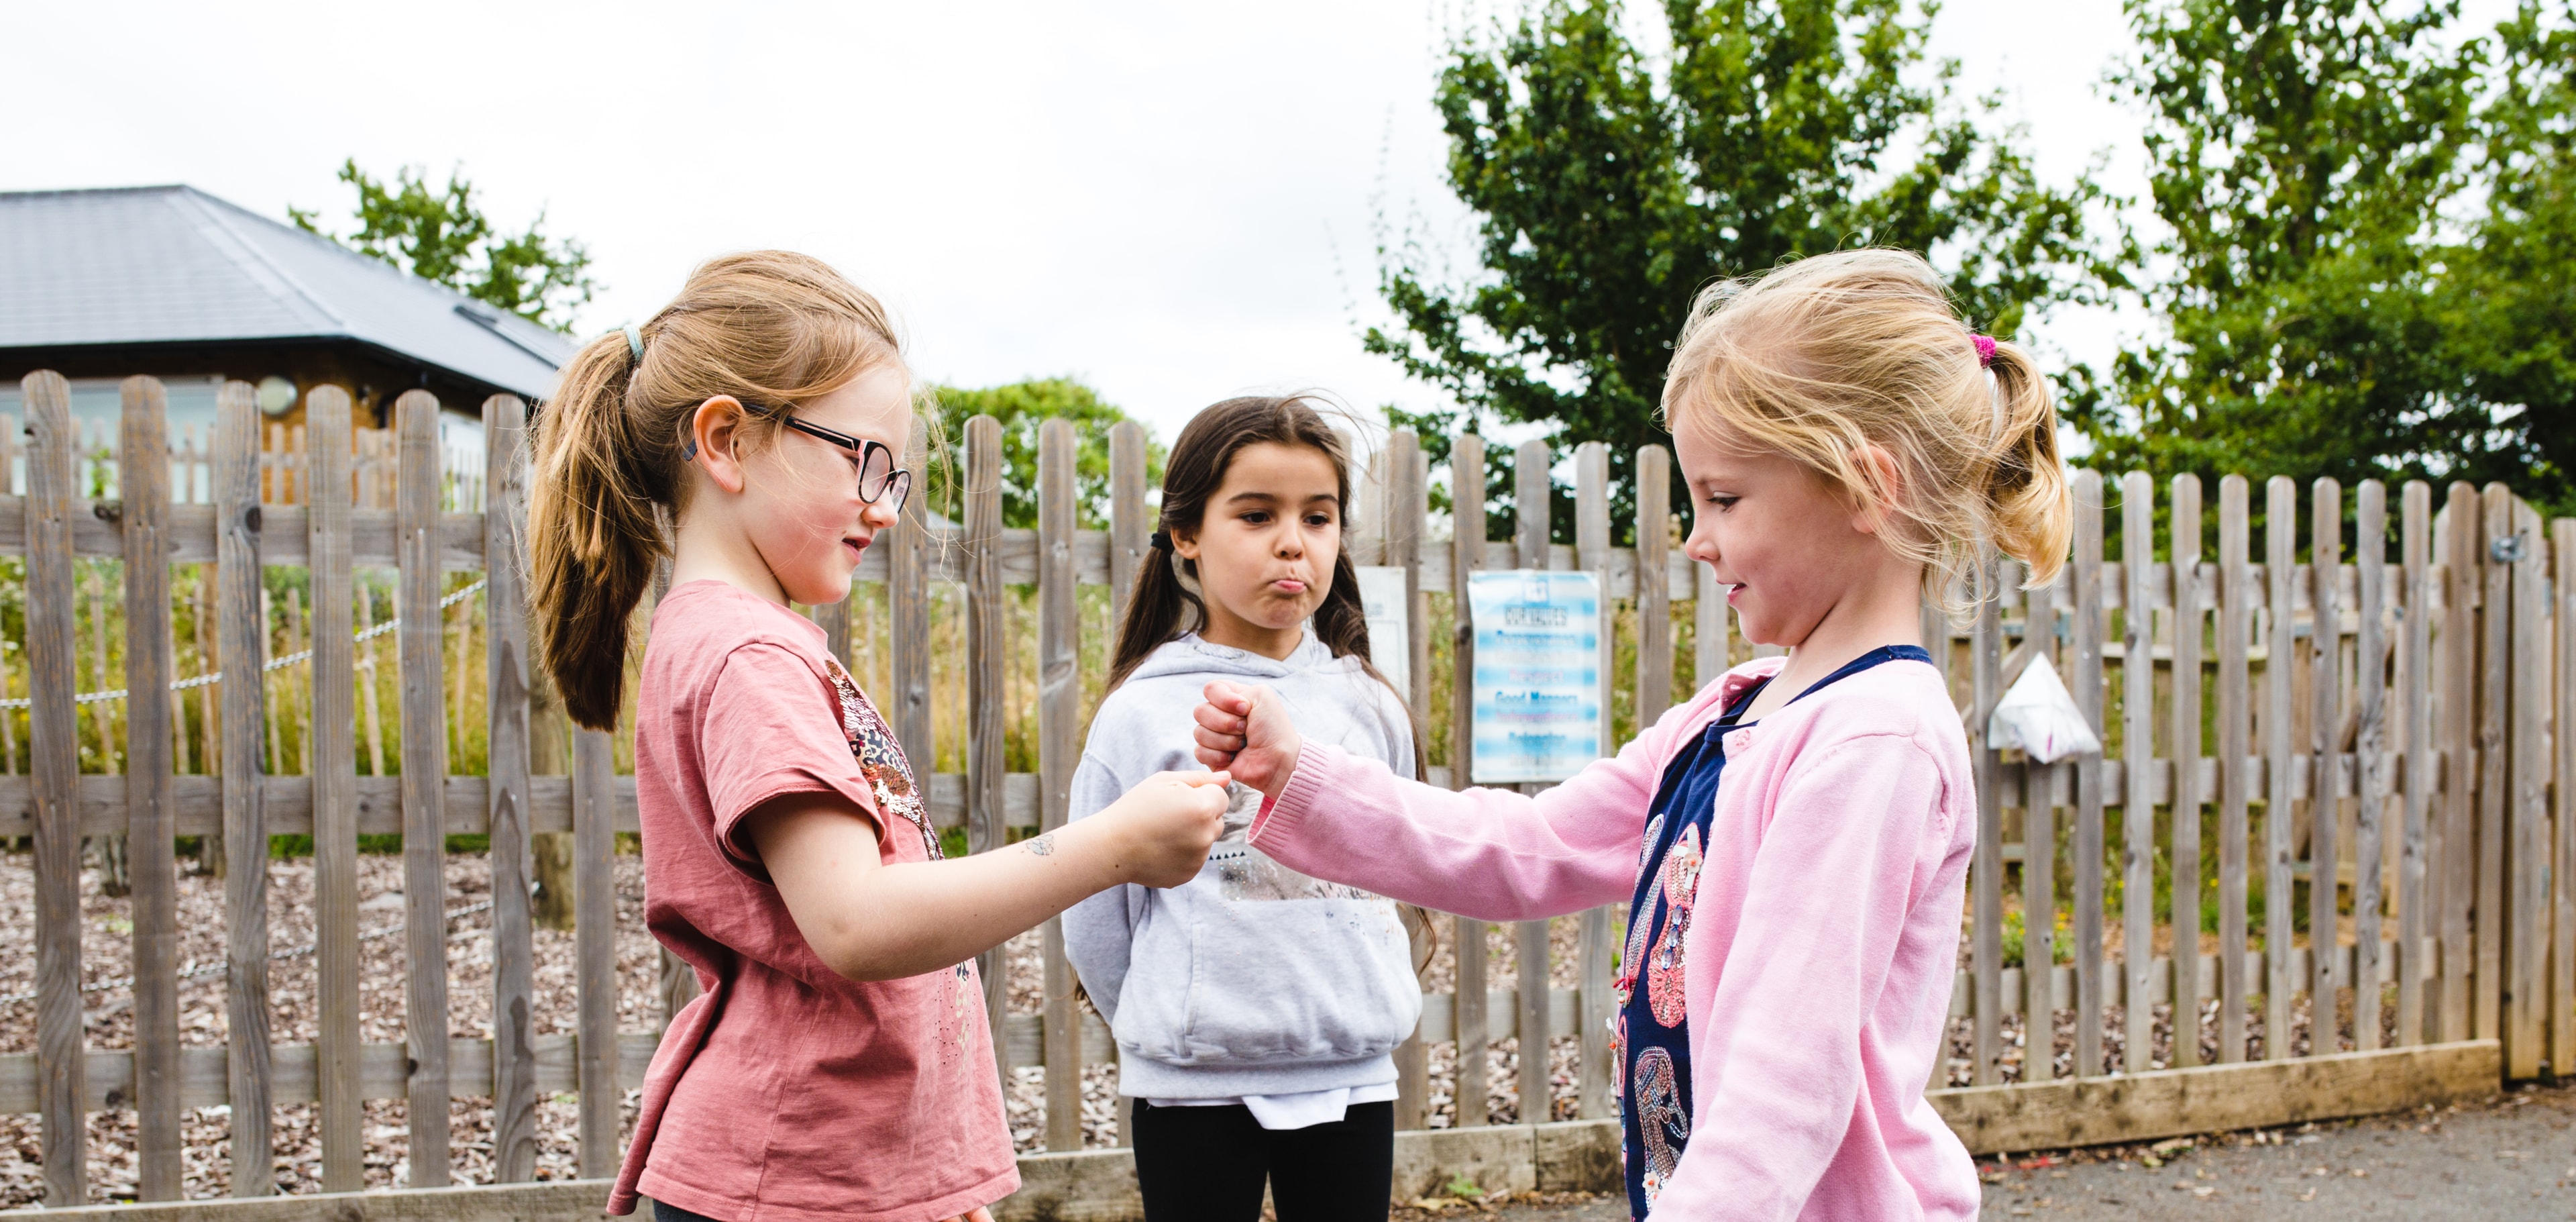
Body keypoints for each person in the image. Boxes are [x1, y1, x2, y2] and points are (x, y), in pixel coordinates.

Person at [1190, 249, 2071, 1220]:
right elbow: (1527, 845)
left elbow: (1789, 1079)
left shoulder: (1875, 743)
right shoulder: (1735, 712)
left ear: (1867, 488)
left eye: (1726, 499)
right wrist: (1302, 773)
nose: (1697, 539)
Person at [525, 251, 1231, 1222]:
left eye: (894, 474)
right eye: (864, 459)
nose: (886, 505)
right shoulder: (749, 658)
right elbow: (856, 923)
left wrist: (922, 1185)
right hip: (796, 1179)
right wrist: (1110, 846)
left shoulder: (742, 640)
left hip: (833, 1174)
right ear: (725, 439)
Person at [1062, 397, 1425, 1221]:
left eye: (1319, 517)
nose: (1293, 541)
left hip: (1351, 1078)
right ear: (1186, 535)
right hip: (1192, 1092)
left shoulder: (1371, 706)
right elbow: (1095, 911)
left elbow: (1400, 861)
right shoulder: (1140, 713)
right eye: (1257, 515)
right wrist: (1175, 1019)